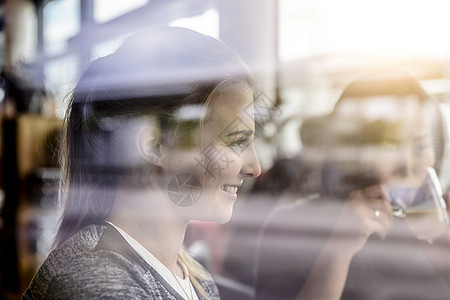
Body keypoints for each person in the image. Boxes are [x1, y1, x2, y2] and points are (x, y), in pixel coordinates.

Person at [23, 27, 261, 299]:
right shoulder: (99, 282)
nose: (255, 167)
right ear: (155, 145)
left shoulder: (193, 275)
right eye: (236, 141)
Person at [254, 71, 450, 299]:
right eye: (390, 146)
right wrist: (338, 252)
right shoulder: (291, 227)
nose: (407, 164)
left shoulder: (435, 227)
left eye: (420, 146)